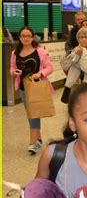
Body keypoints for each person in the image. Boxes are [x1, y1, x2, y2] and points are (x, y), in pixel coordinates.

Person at [10, 26, 54, 154]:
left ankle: (33, 142)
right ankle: (38, 139)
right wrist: (14, 72)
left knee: (33, 114)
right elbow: (12, 68)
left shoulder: (40, 52)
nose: (25, 38)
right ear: (19, 38)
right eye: (23, 36)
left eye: (28, 36)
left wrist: (40, 74)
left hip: (37, 87)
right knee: (32, 114)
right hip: (23, 88)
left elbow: (49, 67)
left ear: (33, 37)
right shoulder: (15, 53)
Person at [60, 28, 87, 92]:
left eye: (86, 37)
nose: (83, 39)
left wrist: (80, 56)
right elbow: (67, 66)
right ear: (78, 39)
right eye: (81, 37)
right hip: (76, 83)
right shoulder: (73, 50)